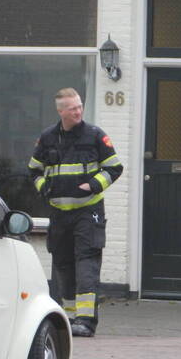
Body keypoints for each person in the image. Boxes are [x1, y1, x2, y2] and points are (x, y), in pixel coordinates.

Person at [28, 88, 122, 338]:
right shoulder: (47, 138)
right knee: (62, 264)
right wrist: (44, 188)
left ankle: (86, 320)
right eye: (72, 108)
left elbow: (114, 168)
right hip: (59, 213)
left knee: (86, 263)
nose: (78, 111)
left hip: (87, 212)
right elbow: (34, 171)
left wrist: (93, 185)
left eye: (79, 106)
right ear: (61, 112)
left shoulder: (95, 135)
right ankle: (70, 317)